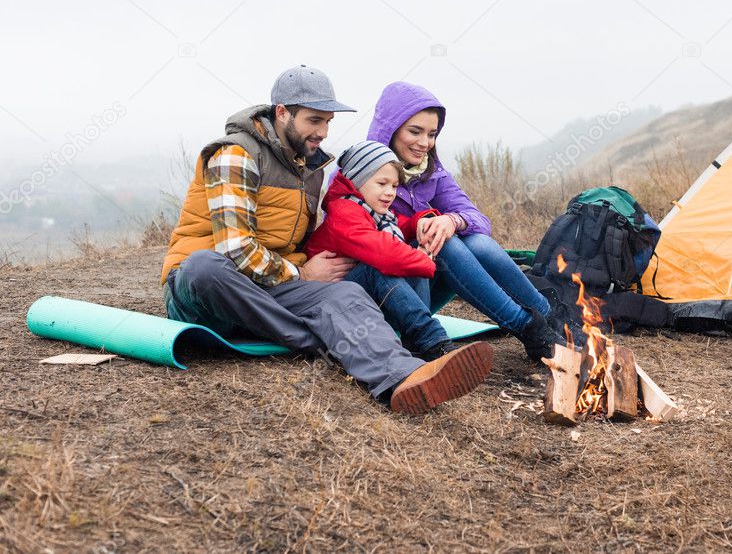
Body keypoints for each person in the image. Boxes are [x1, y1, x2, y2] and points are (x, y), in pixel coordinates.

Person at [160, 65, 492, 413]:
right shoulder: (235, 155)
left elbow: (302, 242)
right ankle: (321, 339)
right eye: (314, 120)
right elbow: (236, 249)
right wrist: (300, 274)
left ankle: (403, 377)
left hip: (270, 289)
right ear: (282, 112)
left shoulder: (309, 168)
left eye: (328, 121)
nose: (323, 131)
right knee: (204, 266)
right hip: (212, 286)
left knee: (344, 294)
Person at [367, 81, 565, 362]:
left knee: (476, 241)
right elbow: (362, 237)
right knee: (443, 244)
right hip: (386, 293)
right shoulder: (362, 171)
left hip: (422, 281)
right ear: (390, 127)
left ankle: (548, 316)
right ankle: (527, 327)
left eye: (432, 134)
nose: (424, 143)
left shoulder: (431, 172)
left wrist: (452, 220)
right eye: (415, 131)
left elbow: (479, 220)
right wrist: (424, 229)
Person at [305, 140, 461, 361]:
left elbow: (400, 224)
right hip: (332, 301)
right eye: (382, 183)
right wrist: (424, 261)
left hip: (359, 296)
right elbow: (382, 252)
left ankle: (415, 340)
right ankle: (432, 340)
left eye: (395, 186)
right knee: (382, 267)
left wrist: (421, 223)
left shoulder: (375, 212)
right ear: (357, 181)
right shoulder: (344, 211)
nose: (390, 193)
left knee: (409, 255)